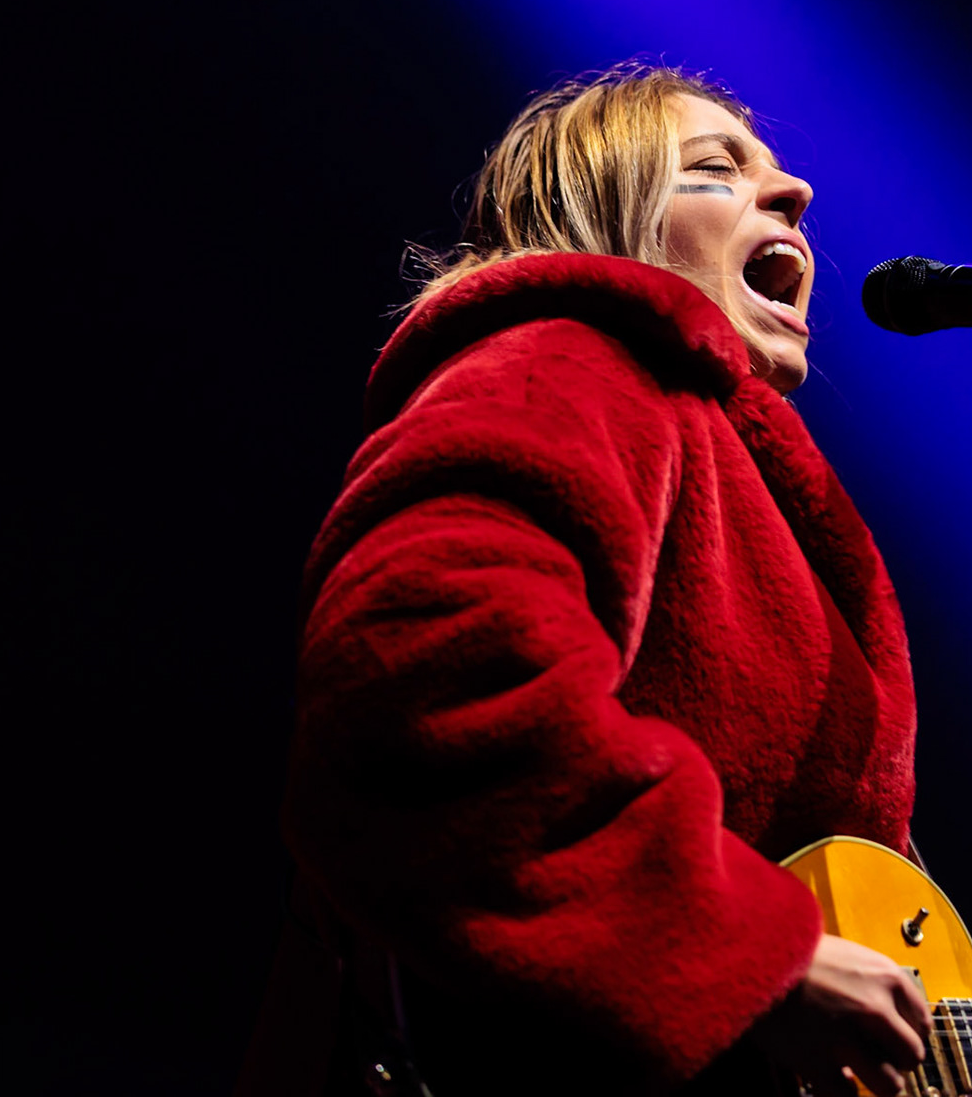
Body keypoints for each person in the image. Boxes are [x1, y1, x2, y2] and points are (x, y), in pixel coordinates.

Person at [271, 62, 935, 1096]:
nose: (798, 191)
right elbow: (417, 674)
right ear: (608, 218)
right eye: (717, 166)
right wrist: (734, 949)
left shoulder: (720, 459)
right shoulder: (560, 364)